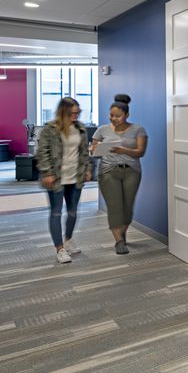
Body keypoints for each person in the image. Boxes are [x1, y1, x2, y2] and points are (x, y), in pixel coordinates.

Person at [36, 97, 91, 264]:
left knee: (73, 212)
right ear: (63, 111)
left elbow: (84, 152)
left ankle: (68, 240)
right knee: (56, 212)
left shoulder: (80, 128)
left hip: (76, 177)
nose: (75, 115)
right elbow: (43, 152)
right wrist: (47, 173)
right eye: (72, 112)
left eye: (77, 112)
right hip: (56, 178)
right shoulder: (50, 129)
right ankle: (59, 249)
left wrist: (88, 169)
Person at [92, 94, 148, 255]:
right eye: (111, 115)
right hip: (108, 171)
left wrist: (122, 150)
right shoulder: (102, 130)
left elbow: (140, 152)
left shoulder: (138, 129)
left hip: (132, 171)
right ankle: (119, 241)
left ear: (127, 115)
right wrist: (97, 149)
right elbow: (94, 150)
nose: (113, 118)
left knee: (127, 207)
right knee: (115, 207)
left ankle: (122, 234)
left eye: (118, 116)